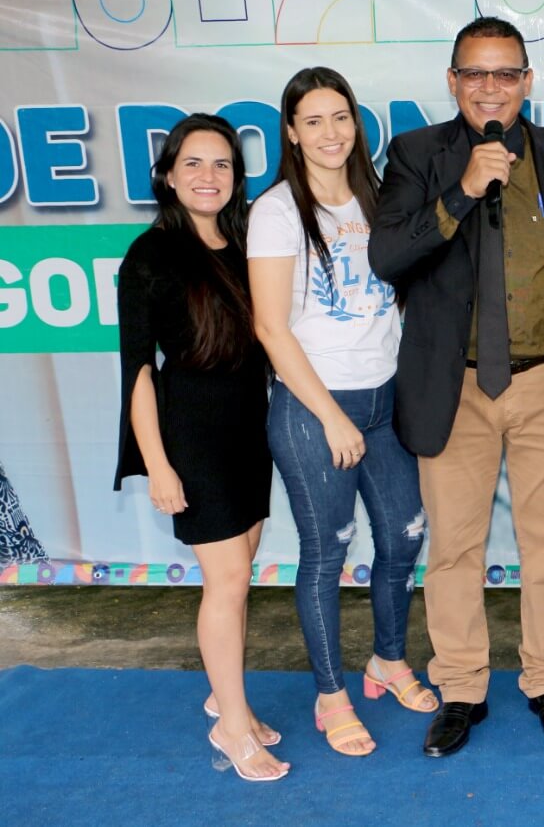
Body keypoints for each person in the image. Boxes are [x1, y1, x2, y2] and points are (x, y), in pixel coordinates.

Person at [369, 17, 544, 757]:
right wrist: (461, 192)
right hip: (451, 387)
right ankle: (461, 687)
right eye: (475, 73)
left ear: (527, 81)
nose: (491, 87)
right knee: (454, 548)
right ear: (453, 81)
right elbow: (389, 256)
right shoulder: (418, 154)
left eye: (505, 73)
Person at [248, 67, 435, 758]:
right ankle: (330, 695)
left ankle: (387, 659)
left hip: (384, 402)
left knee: (404, 538)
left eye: (341, 117)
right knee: (327, 553)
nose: (330, 133)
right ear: (292, 133)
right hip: (314, 408)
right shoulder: (276, 211)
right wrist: (329, 416)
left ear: (356, 124)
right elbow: (271, 327)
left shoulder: (377, 198)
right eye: (313, 121)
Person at [115, 114, 287, 782]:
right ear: (168, 175)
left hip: (249, 427)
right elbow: (137, 371)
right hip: (190, 432)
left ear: (236, 179)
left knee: (240, 578)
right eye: (193, 162)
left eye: (222, 164)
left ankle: (227, 698)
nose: (207, 176)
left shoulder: (246, 243)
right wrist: (159, 465)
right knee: (229, 580)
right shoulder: (149, 256)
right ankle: (233, 727)